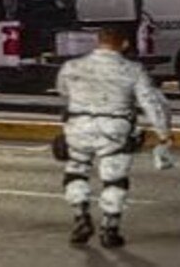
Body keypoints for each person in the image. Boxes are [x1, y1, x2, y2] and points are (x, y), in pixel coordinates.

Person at [55, 26, 173, 248]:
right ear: (125, 43)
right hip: (115, 128)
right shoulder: (132, 69)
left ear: (97, 41)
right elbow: (151, 102)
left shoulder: (71, 66)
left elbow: (63, 92)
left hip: (78, 126)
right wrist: (164, 133)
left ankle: (81, 217)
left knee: (76, 172)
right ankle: (109, 228)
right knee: (114, 179)